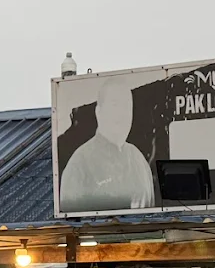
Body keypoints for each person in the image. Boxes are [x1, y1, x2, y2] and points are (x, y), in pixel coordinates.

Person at [57, 81, 156, 211]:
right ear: (99, 112)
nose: (122, 113)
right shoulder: (80, 163)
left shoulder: (139, 160)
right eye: (115, 104)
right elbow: (69, 217)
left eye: (127, 106)